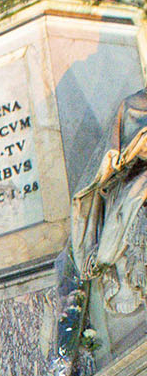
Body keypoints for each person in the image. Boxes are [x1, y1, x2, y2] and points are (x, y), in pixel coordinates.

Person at [71, 87, 147, 315]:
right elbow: (115, 156)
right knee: (130, 202)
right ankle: (126, 272)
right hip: (131, 178)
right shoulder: (134, 105)